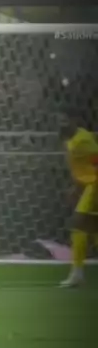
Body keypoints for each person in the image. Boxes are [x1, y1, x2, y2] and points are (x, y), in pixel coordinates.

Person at [59, 112, 98, 287]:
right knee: (91, 229)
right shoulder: (71, 139)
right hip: (89, 185)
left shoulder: (83, 141)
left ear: (74, 121)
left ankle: (77, 274)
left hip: (95, 185)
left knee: (78, 224)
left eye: (65, 120)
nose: (61, 123)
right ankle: (77, 273)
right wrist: (76, 187)